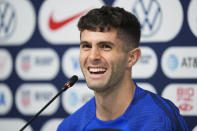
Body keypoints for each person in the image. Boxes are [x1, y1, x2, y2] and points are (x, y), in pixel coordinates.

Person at [57, 5, 188, 131]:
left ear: (132, 58)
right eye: (86, 46)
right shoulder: (70, 126)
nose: (92, 57)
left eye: (105, 46)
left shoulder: (160, 121)